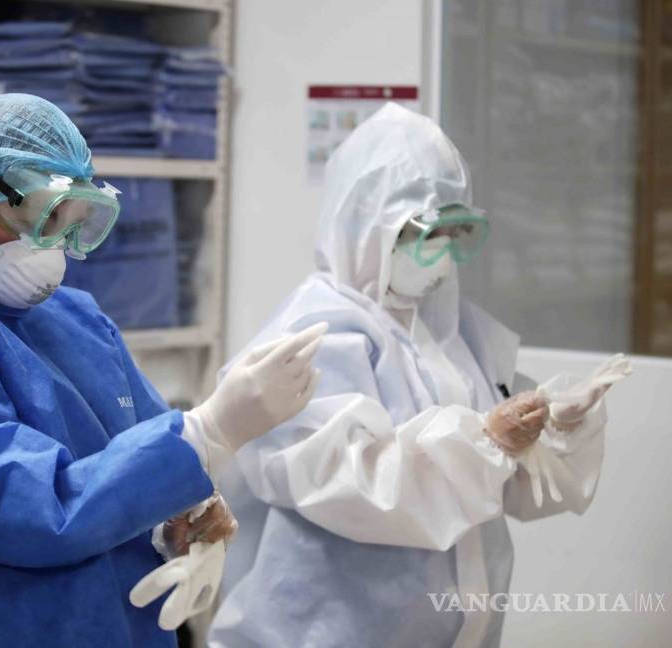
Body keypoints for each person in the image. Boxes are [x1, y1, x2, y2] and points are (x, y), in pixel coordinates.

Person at [0, 94, 324, 648]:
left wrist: (179, 516)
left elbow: (134, 455)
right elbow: (24, 508)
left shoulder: (76, 320)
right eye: (39, 216)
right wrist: (209, 431)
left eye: (72, 222)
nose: (50, 248)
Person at [208, 103, 622, 648]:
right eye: (423, 233)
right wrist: (487, 442)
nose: (442, 252)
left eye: (454, 231)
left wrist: (552, 431)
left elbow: (502, 489)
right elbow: (350, 485)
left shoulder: (453, 334)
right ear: (365, 227)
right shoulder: (313, 337)